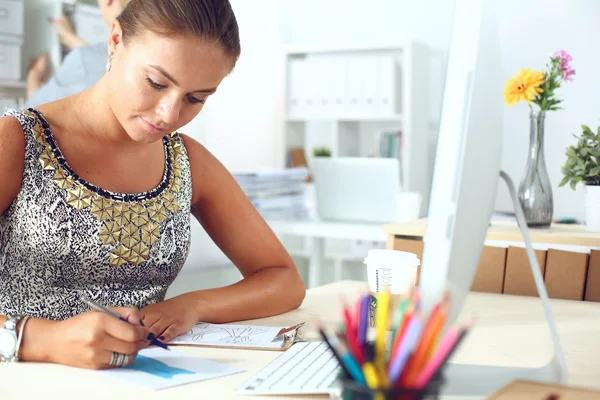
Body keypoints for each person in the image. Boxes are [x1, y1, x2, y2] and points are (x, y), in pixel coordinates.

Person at [0, 0, 305, 370]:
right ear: (116, 40)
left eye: (196, 98)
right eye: (156, 83)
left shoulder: (187, 161)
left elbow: (283, 279)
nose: (170, 115)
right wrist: (38, 339)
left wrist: (193, 304)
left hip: (141, 383)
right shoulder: (18, 140)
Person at [26, 0, 129, 107]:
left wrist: (33, 77)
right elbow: (102, 56)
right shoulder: (133, 52)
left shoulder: (84, 60)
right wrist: (70, 38)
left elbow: (35, 108)